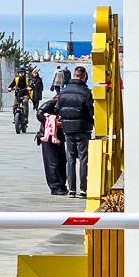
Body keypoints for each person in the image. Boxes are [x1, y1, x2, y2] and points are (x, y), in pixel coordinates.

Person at [57, 65, 95, 198]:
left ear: (74, 75)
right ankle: (83, 189)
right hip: (83, 128)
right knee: (83, 159)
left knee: (70, 159)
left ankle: (71, 189)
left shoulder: (64, 91)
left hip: (68, 129)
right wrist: (92, 122)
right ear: (84, 77)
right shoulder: (86, 92)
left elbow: (59, 108)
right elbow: (90, 111)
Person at [35, 93, 68, 195]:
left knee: (62, 161)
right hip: (48, 136)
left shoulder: (65, 106)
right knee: (52, 162)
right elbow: (39, 114)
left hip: (58, 136)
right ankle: (55, 187)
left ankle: (62, 185)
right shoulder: (51, 104)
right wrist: (51, 121)